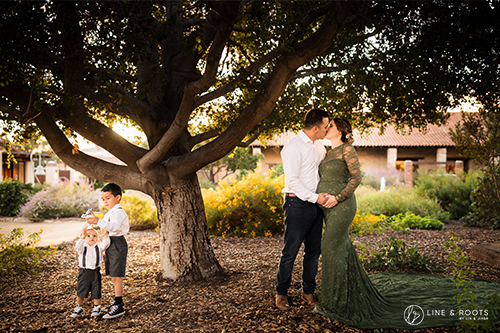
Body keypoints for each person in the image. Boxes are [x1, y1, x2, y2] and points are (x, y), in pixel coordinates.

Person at [314, 118, 500, 329]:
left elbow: (356, 179)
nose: (327, 128)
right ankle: (338, 293)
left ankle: (338, 302)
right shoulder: (327, 151)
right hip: (327, 207)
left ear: (341, 130)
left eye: (331, 126)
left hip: (341, 205)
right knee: (339, 248)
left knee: (330, 247)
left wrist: (337, 197)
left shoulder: (347, 149)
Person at [275, 108, 334, 311]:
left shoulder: (320, 146)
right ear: (316, 127)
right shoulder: (293, 147)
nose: (328, 129)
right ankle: (281, 293)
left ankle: (308, 291)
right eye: (326, 126)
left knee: (313, 252)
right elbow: (293, 181)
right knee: (290, 252)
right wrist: (314, 197)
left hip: (315, 206)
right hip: (297, 205)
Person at [86, 183, 129, 319]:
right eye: (103, 199)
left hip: (117, 244)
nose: (105, 201)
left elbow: (114, 227)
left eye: (108, 198)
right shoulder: (111, 212)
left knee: (117, 275)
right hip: (111, 243)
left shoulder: (118, 212)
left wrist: (99, 221)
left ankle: (119, 305)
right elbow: (107, 229)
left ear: (118, 197)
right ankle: (116, 301)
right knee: (112, 275)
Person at [70, 227, 110, 318]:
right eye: (88, 236)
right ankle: (79, 307)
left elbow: (106, 243)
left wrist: (105, 235)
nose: (91, 237)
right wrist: (82, 238)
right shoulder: (82, 247)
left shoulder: (99, 247)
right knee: (81, 290)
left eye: (94, 236)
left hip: (96, 272)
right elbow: (77, 246)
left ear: (98, 239)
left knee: (96, 290)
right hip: (84, 272)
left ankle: (97, 307)